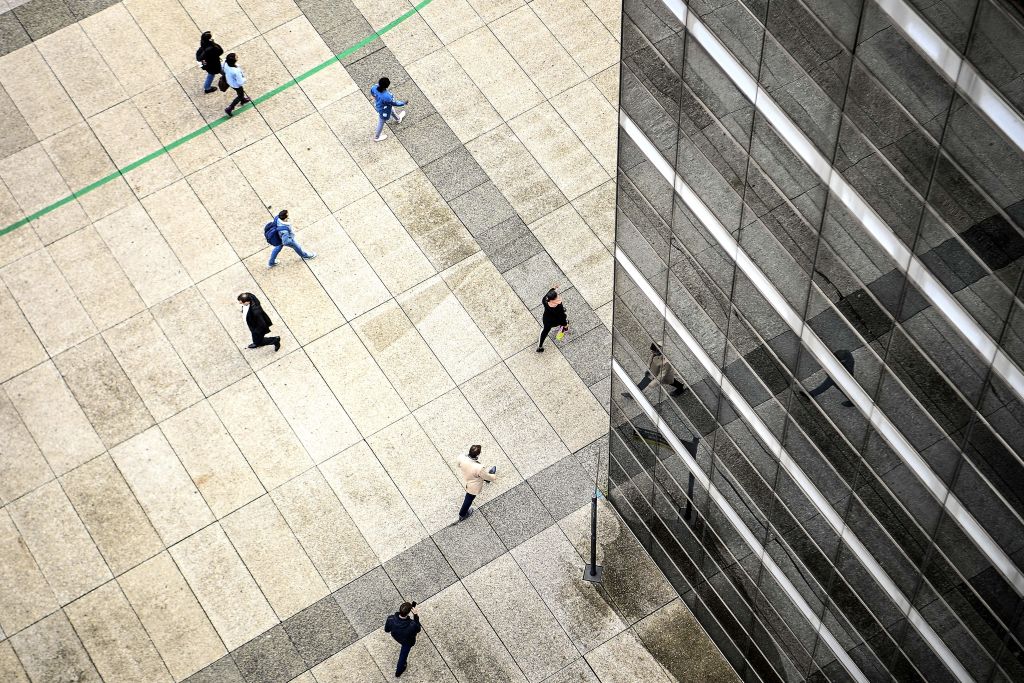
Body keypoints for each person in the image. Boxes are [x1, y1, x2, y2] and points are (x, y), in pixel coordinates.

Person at [621, 342, 688, 399]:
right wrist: (649, 369)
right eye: (652, 351)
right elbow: (652, 361)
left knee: (670, 381)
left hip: (662, 373)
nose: (652, 352)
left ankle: (681, 388)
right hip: (654, 372)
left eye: (654, 351)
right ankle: (633, 394)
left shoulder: (664, 359)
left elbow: (663, 373)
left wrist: (655, 382)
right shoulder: (655, 354)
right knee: (644, 382)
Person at [457, 444, 496, 520]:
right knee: (469, 498)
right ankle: (462, 514)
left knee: (481, 475)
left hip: (468, 475)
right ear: (478, 454)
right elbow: (485, 475)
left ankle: (462, 514)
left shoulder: (461, 457)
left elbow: (458, 465)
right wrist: (493, 477)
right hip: (474, 484)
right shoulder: (478, 467)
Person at [384, 602, 421, 678]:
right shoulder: (412, 624)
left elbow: (387, 630)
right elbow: (418, 629)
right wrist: (416, 615)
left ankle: (399, 672)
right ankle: (398, 671)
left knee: (403, 655)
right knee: (403, 656)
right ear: (408, 613)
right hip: (407, 641)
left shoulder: (390, 618)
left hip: (396, 637)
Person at [369, 77, 407, 142]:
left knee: (392, 110)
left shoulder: (374, 87)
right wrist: (403, 103)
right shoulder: (387, 96)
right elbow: (394, 103)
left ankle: (398, 119)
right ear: (386, 86)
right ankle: (377, 137)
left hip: (380, 105)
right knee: (381, 122)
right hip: (384, 110)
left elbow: (372, 93)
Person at [536, 286, 568, 352]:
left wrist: (553, 288)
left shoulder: (544, 300)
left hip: (546, 319)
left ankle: (540, 346)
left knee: (545, 331)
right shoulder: (558, 307)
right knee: (564, 318)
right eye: (556, 297)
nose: (558, 298)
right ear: (553, 299)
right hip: (555, 321)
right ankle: (563, 327)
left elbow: (548, 294)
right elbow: (562, 317)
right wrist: (565, 324)